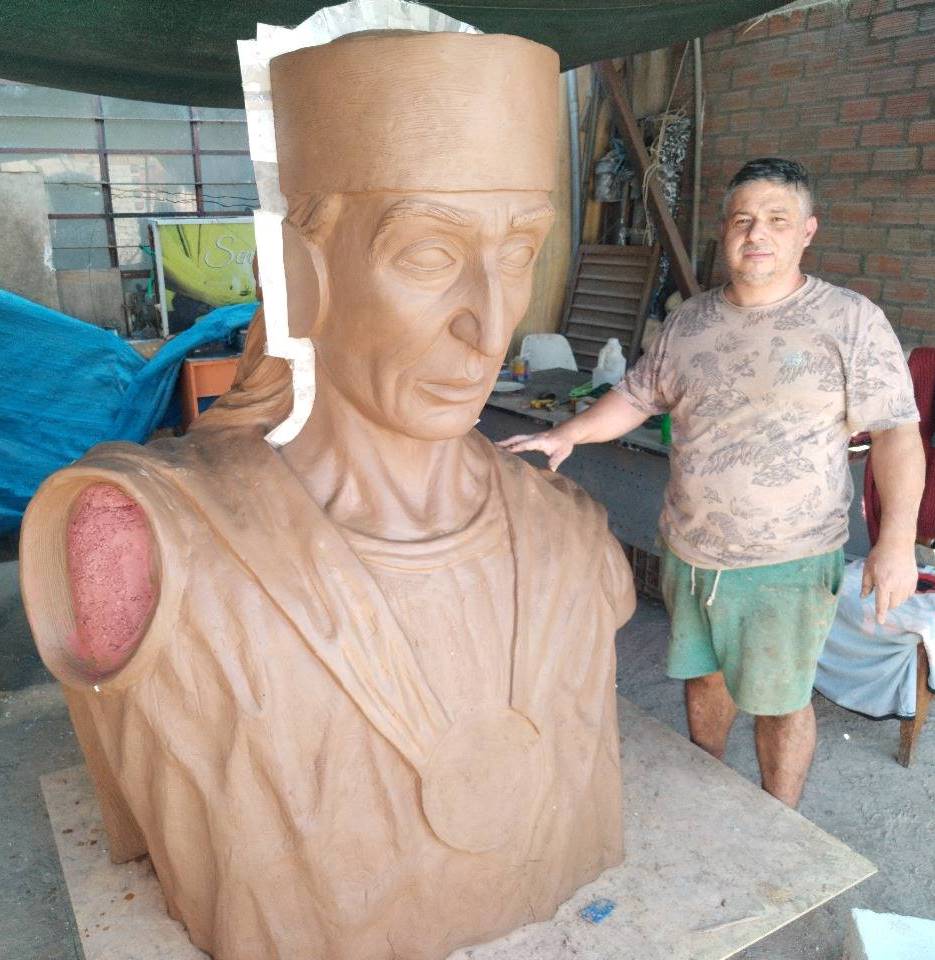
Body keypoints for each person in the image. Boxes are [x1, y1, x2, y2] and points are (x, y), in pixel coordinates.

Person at [19, 31, 635, 960]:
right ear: (300, 276)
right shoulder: (156, 540)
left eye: (517, 252)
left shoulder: (570, 537)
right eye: (427, 255)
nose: (489, 326)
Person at [500, 157, 924, 808]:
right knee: (702, 679)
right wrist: (568, 435)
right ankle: (711, 789)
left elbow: (896, 434)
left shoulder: (849, 320)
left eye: (777, 219)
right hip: (691, 552)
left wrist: (894, 543)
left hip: (787, 560)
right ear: (725, 230)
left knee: (780, 702)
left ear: (806, 231)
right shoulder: (690, 321)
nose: (757, 233)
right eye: (743, 219)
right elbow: (637, 397)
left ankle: (777, 819)